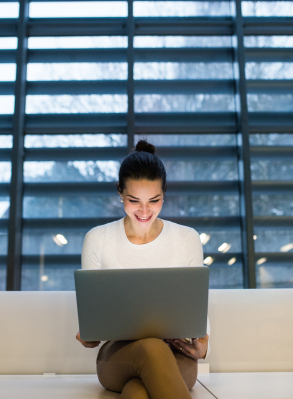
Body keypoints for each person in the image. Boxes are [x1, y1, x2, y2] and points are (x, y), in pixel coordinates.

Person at [75, 139, 210, 399]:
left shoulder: (187, 238)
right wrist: (90, 334)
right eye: (134, 200)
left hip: (175, 354)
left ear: (165, 192)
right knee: (151, 350)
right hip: (118, 355)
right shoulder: (98, 239)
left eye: (154, 200)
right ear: (119, 192)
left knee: (137, 392)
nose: (145, 211)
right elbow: (92, 320)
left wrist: (203, 345)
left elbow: (196, 303)